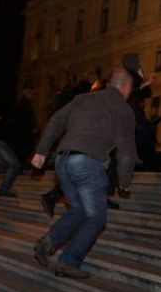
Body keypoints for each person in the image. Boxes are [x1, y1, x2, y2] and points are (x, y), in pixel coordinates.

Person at [31, 68, 136, 279]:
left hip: (62, 161)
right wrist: (125, 181)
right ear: (126, 87)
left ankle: (48, 242)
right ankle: (68, 262)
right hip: (87, 163)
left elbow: (55, 121)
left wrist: (42, 150)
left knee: (78, 208)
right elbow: (126, 151)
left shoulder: (82, 99)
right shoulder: (122, 108)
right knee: (96, 219)